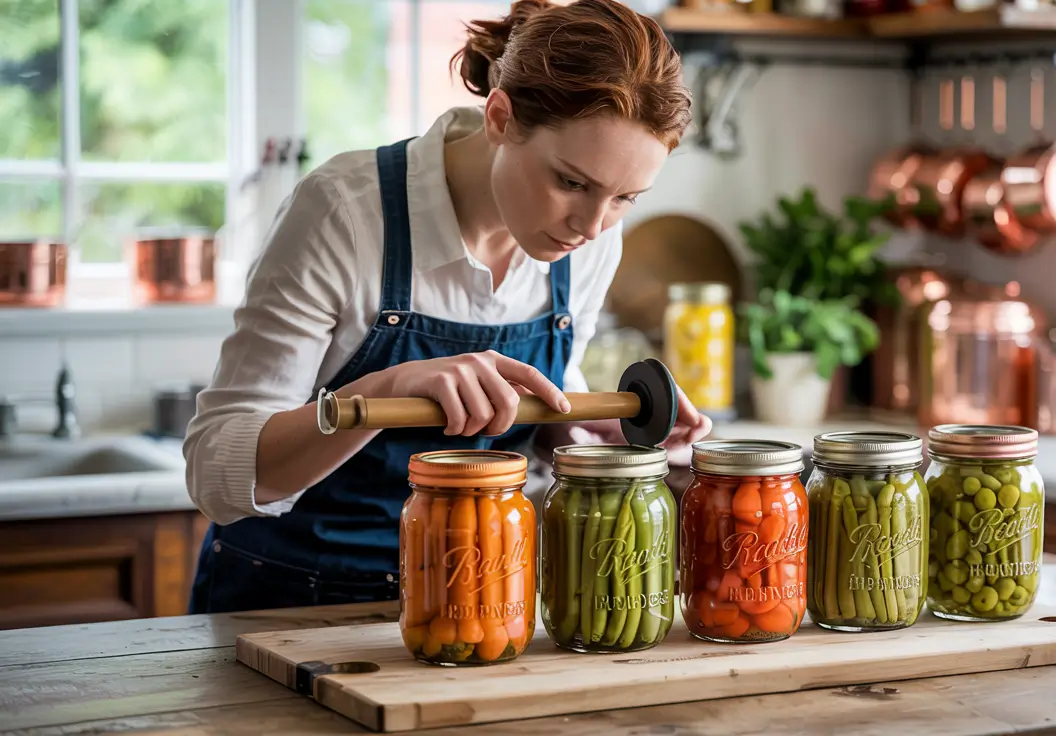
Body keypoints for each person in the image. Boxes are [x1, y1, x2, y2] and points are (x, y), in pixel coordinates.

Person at [183, 0, 710, 614]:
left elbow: (537, 411)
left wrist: (585, 423)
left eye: (625, 197)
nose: (592, 225)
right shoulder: (344, 213)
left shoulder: (590, 241)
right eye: (571, 182)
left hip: (482, 595)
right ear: (500, 117)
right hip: (293, 598)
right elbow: (216, 469)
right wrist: (390, 388)